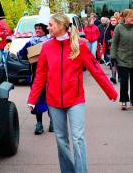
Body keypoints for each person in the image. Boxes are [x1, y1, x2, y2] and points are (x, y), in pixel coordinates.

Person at [27, 13, 118, 173]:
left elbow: (96, 69)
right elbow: (40, 75)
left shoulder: (80, 45)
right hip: (54, 102)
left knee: (78, 139)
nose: (48, 27)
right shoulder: (47, 47)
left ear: (61, 26)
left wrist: (111, 92)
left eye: (50, 25)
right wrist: (32, 99)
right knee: (61, 140)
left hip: (75, 100)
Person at [18, 23, 52, 135]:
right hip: (36, 77)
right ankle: (39, 124)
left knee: (51, 99)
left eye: (40, 29)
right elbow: (21, 54)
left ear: (45, 31)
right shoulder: (31, 42)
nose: (37, 30)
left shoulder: (50, 42)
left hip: (50, 76)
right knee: (37, 100)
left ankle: (53, 122)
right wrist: (28, 54)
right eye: (36, 28)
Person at [110, 9, 133, 110]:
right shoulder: (119, 28)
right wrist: (113, 56)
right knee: (124, 81)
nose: (132, 18)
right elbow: (114, 43)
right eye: (130, 16)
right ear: (124, 18)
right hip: (122, 59)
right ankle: (124, 100)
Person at [102, 16, 118, 82]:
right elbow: (105, 39)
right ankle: (113, 77)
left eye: (114, 20)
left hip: (120, 48)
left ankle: (120, 77)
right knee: (113, 62)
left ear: (116, 21)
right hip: (111, 48)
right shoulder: (108, 29)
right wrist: (109, 41)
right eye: (111, 20)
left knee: (119, 63)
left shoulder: (119, 28)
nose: (113, 21)